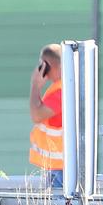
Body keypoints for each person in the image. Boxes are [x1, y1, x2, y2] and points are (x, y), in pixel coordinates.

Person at [28, 42, 65, 188]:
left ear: (46, 64)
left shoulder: (61, 91)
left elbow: (36, 115)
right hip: (57, 166)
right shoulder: (60, 88)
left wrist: (35, 85)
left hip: (59, 168)